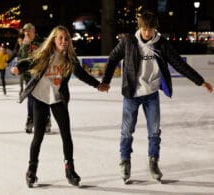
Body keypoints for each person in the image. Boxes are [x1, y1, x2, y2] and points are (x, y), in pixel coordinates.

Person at [98, 11, 213, 183]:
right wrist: (106, 81)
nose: (147, 33)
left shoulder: (161, 44)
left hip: (151, 94)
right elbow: (113, 57)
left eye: (150, 29)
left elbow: (179, 64)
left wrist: (200, 81)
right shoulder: (129, 41)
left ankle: (153, 162)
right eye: (144, 29)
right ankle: (125, 161)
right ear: (140, 27)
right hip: (132, 94)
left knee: (154, 132)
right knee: (127, 131)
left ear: (154, 29)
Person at [11, 25, 101, 187]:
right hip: (40, 98)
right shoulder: (44, 54)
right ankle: (31, 170)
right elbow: (29, 62)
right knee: (38, 136)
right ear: (53, 39)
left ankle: (70, 170)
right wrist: (19, 68)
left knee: (66, 135)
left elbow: (81, 74)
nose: (64, 41)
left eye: (66, 38)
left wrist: (97, 85)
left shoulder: (69, 59)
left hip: (57, 98)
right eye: (60, 38)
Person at [17, 23, 51, 134]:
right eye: (25, 31)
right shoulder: (23, 45)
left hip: (41, 75)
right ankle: (30, 119)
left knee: (44, 98)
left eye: (29, 31)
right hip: (29, 77)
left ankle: (46, 119)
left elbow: (47, 56)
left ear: (34, 31)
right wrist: (25, 46)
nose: (26, 33)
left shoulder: (41, 42)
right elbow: (20, 59)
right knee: (31, 99)